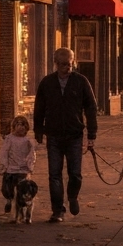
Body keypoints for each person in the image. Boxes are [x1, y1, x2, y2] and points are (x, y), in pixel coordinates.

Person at [33, 47, 100, 222]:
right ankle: (57, 210)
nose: (67, 68)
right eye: (63, 64)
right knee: (54, 173)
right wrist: (38, 129)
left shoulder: (81, 82)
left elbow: (91, 108)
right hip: (54, 134)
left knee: (75, 173)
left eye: (70, 64)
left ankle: (72, 196)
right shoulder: (47, 83)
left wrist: (91, 133)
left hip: (74, 134)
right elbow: (39, 108)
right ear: (56, 64)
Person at [0, 115, 37, 218]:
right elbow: (4, 152)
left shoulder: (28, 141)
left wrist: (30, 167)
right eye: (18, 125)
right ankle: (9, 200)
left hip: (22, 170)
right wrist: (4, 165)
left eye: (23, 125)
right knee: (7, 188)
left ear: (27, 128)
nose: (21, 127)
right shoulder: (9, 139)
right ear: (14, 127)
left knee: (22, 190)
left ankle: (21, 210)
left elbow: (31, 154)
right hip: (10, 169)